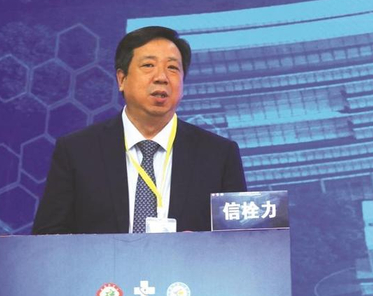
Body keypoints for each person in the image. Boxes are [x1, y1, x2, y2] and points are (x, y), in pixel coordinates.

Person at [32, 26, 246, 234]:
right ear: (121, 79)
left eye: (173, 68)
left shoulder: (219, 155)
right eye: (148, 65)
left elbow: (241, 238)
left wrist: (200, 245)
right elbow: (48, 237)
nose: (161, 77)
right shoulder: (77, 151)